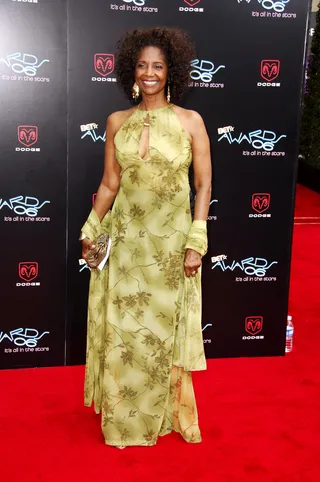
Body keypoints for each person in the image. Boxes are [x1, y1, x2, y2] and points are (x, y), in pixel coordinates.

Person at [80, 27, 212, 448]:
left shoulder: (191, 122)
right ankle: (124, 423)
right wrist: (89, 229)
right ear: (131, 73)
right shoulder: (117, 122)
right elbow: (109, 184)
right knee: (124, 332)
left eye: (158, 65)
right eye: (142, 66)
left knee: (159, 334)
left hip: (171, 246)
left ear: (170, 70)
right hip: (126, 244)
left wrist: (196, 240)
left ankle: (162, 417)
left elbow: (204, 186)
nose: (150, 73)